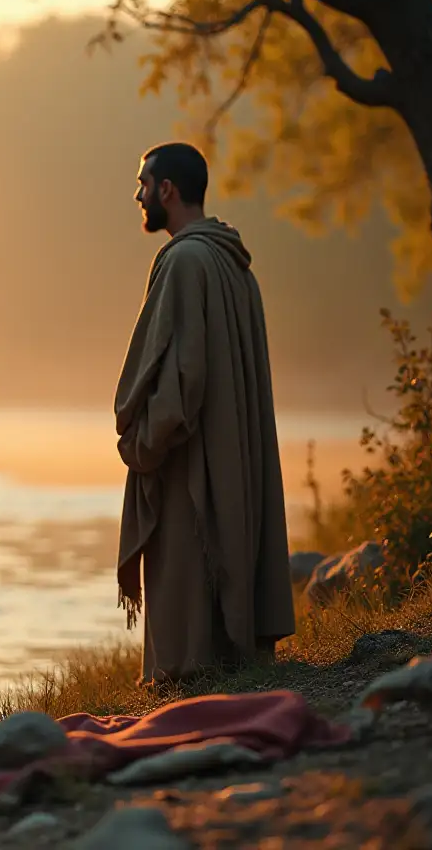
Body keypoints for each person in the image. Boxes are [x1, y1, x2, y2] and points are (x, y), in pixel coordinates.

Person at [115, 141, 295, 685]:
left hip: (192, 452)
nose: (139, 194)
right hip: (227, 445)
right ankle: (224, 660)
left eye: (144, 184)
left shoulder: (185, 260)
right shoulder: (233, 262)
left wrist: (145, 440)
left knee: (188, 554)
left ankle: (190, 671)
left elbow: (181, 375)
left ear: (167, 189)